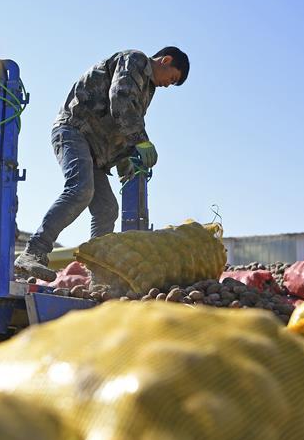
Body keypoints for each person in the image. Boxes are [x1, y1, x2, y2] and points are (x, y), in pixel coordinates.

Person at [15, 47, 190, 282]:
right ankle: (33, 252)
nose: (169, 85)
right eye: (172, 78)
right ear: (166, 60)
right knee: (81, 189)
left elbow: (123, 124)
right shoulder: (135, 60)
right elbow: (120, 99)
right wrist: (141, 142)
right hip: (74, 130)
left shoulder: (147, 88)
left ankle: (98, 275)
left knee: (107, 208)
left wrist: (127, 161)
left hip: (96, 150)